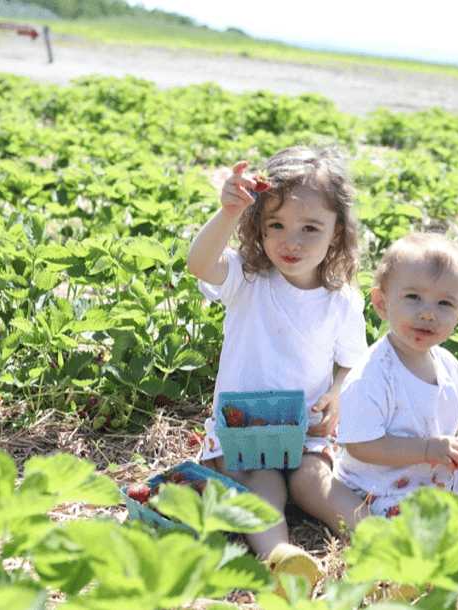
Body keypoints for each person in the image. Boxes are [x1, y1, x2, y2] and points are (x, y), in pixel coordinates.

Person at [186, 145, 368, 587]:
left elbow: (352, 363)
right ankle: (280, 555)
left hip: (305, 430)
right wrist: (228, 211)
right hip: (244, 427)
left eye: (310, 228)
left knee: (314, 480)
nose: (292, 241)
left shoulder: (341, 299)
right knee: (259, 478)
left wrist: (338, 394)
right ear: (257, 226)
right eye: (277, 225)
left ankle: (382, 538)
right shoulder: (247, 277)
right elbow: (199, 262)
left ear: (336, 233)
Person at [299, 233, 458, 532]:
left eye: (445, 303)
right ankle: (377, 531)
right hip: (379, 488)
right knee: (316, 483)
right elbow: (360, 445)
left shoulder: (449, 364)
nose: (428, 313)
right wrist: (426, 450)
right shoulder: (373, 373)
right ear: (382, 303)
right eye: (413, 297)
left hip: (433, 479)